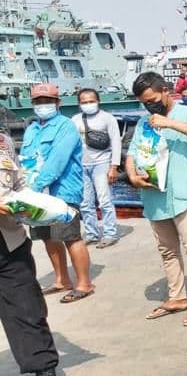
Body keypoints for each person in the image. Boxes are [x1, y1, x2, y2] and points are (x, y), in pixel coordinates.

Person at [126, 72, 187, 326]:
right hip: (154, 196)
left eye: (153, 100)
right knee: (167, 251)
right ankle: (176, 297)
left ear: (166, 91)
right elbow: (133, 152)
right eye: (144, 103)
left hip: (181, 194)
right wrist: (132, 174)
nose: (150, 106)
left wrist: (170, 124)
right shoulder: (145, 123)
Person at [23, 83, 93, 304]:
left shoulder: (66, 126)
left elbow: (58, 161)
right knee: (46, 237)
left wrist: (36, 186)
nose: (43, 105)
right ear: (33, 104)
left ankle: (84, 283)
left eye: (48, 101)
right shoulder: (31, 129)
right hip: (35, 192)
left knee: (70, 236)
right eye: (38, 101)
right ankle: (62, 279)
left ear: (58, 103)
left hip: (63, 190)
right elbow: (24, 159)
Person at [0, 130, 59, 376]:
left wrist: (32, 206)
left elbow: (18, 183)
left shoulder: (3, 142)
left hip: (10, 242)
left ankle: (44, 369)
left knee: (28, 310)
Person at [71, 88, 122, 249]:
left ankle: (110, 233)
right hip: (81, 165)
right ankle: (91, 233)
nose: (88, 104)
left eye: (91, 101)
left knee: (105, 200)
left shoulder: (107, 118)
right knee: (85, 203)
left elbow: (116, 142)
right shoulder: (75, 119)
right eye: (84, 102)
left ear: (98, 101)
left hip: (102, 163)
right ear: (79, 104)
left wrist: (114, 166)